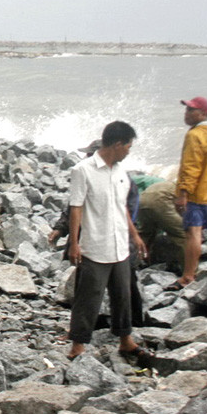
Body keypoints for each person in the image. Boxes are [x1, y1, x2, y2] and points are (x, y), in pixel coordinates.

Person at [66, 121, 151, 364]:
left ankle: (125, 340)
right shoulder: (84, 170)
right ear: (116, 144)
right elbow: (76, 207)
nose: (129, 151)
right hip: (95, 245)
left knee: (123, 295)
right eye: (128, 146)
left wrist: (134, 235)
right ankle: (77, 344)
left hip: (120, 246)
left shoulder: (120, 172)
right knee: (89, 296)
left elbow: (121, 206)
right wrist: (74, 243)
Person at [172, 96, 207, 289]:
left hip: (197, 195)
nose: (186, 114)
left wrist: (183, 194)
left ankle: (188, 276)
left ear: (203, 114)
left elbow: (191, 166)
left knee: (193, 233)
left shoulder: (195, 135)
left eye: (191, 110)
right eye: (186, 109)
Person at [138, 180, 185, 272]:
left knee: (145, 235)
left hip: (141, 200)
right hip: (161, 200)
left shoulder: (168, 183)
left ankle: (135, 264)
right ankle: (190, 272)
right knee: (183, 235)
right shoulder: (191, 188)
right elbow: (182, 204)